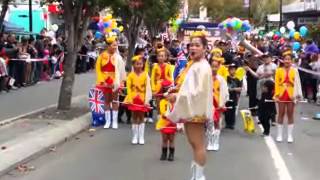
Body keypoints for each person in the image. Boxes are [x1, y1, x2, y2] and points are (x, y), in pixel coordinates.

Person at [166, 31, 213, 180]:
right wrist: (177, 91)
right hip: (191, 108)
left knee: (198, 144)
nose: (193, 48)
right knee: (194, 144)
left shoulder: (202, 67)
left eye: (197, 45)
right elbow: (188, 87)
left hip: (196, 110)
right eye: (191, 45)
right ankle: (196, 175)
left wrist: (176, 97)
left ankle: (199, 177)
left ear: (205, 48)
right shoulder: (194, 64)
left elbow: (197, 92)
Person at [95, 34, 126, 129]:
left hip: (115, 82)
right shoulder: (101, 56)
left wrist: (119, 82)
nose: (115, 47)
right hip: (104, 82)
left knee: (115, 101)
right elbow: (98, 69)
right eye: (114, 45)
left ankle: (115, 121)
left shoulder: (118, 57)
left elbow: (121, 71)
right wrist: (103, 81)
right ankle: (108, 121)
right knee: (107, 101)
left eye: (116, 45)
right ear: (108, 46)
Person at [274, 50, 303, 143]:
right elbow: (277, 84)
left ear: (291, 61)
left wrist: (298, 95)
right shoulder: (278, 70)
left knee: (290, 114)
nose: (287, 61)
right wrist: (276, 95)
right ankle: (279, 135)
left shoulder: (295, 71)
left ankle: (290, 136)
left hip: (291, 94)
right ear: (283, 60)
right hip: (282, 94)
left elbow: (298, 83)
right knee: (281, 114)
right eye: (285, 59)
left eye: (289, 59)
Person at [124, 55, 152, 145]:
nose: (139, 66)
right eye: (137, 64)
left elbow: (148, 88)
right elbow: (128, 88)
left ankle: (141, 136)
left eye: (140, 64)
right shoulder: (130, 76)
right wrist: (130, 98)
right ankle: (135, 136)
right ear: (133, 65)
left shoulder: (145, 74)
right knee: (134, 116)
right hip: (133, 98)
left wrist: (147, 100)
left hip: (142, 98)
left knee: (141, 116)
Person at [207, 60, 229, 151]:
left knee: (217, 123)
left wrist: (222, 103)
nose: (214, 68)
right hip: (208, 104)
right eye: (212, 66)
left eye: (216, 67)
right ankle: (210, 142)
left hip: (218, 105)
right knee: (209, 123)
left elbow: (225, 93)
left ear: (219, 67)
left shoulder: (221, 79)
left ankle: (216, 142)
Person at [156, 80, 178, 161]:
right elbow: (163, 113)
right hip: (164, 123)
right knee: (164, 139)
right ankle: (164, 153)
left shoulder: (175, 103)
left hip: (172, 123)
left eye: (172, 94)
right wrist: (167, 115)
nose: (171, 96)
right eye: (169, 94)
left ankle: (171, 154)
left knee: (172, 139)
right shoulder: (162, 102)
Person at [225, 63, 242, 129]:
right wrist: (232, 89)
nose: (232, 71)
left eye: (234, 69)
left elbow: (240, 89)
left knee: (233, 110)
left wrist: (233, 89)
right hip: (227, 96)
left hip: (234, 96)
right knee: (227, 110)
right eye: (231, 69)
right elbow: (225, 87)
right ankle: (227, 123)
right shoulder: (226, 78)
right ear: (228, 70)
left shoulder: (238, 79)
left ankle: (232, 124)